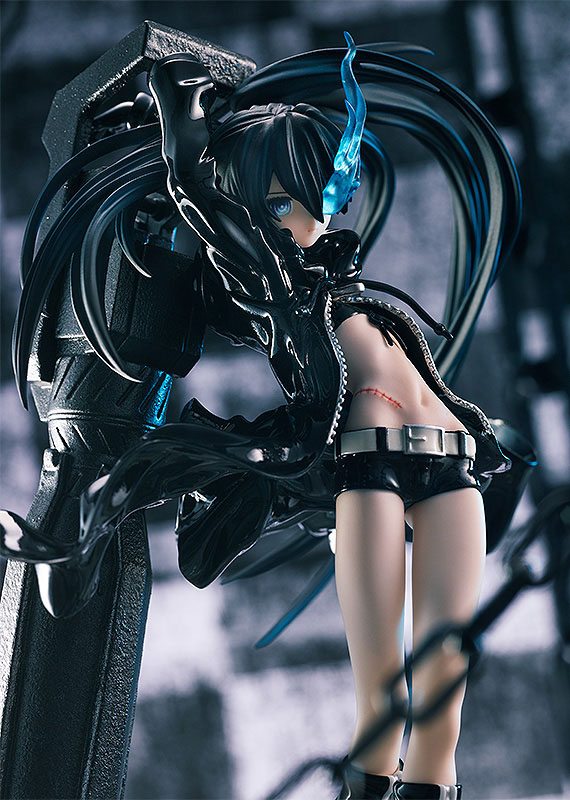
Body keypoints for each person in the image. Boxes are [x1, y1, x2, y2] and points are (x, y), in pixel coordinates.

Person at [1, 32, 521, 800]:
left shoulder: (344, 276)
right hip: (366, 465)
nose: (297, 217)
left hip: (452, 461)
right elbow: (213, 211)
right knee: (383, 707)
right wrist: (183, 137)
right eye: (274, 203)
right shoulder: (276, 289)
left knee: (443, 702)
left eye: (305, 196)